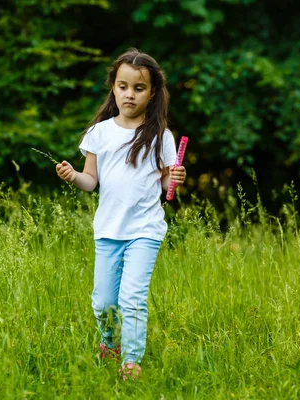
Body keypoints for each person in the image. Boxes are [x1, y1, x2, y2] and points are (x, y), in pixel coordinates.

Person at [55, 48, 186, 379]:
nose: (130, 94)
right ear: (113, 87)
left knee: (132, 299)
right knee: (103, 302)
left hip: (145, 230)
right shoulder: (100, 132)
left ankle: (131, 361)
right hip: (108, 230)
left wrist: (176, 179)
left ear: (152, 93)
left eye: (139, 88)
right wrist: (73, 177)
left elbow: (167, 186)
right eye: (123, 86)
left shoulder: (160, 136)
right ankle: (109, 344)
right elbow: (91, 181)